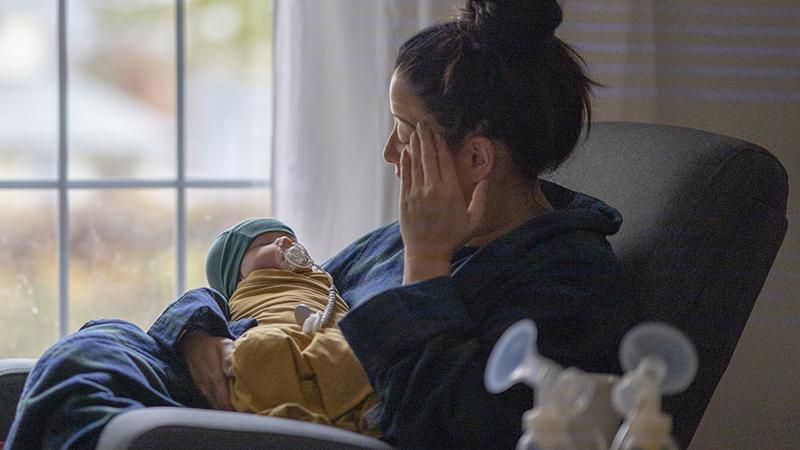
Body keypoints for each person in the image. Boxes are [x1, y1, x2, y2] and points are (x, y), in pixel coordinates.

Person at [5, 1, 630, 449]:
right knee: (91, 349)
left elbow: (439, 428)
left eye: (406, 132)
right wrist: (197, 334)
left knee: (85, 401)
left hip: (283, 428)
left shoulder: (566, 282)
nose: (390, 153)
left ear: (475, 158)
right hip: (230, 383)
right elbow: (292, 295)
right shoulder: (405, 236)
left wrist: (427, 267)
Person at [203, 218, 379, 435]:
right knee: (256, 349)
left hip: (329, 339)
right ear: (235, 274)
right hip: (278, 336)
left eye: (292, 240)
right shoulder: (237, 296)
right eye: (264, 243)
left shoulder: (323, 279)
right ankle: (291, 417)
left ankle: (360, 416)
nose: (286, 241)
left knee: (356, 350)